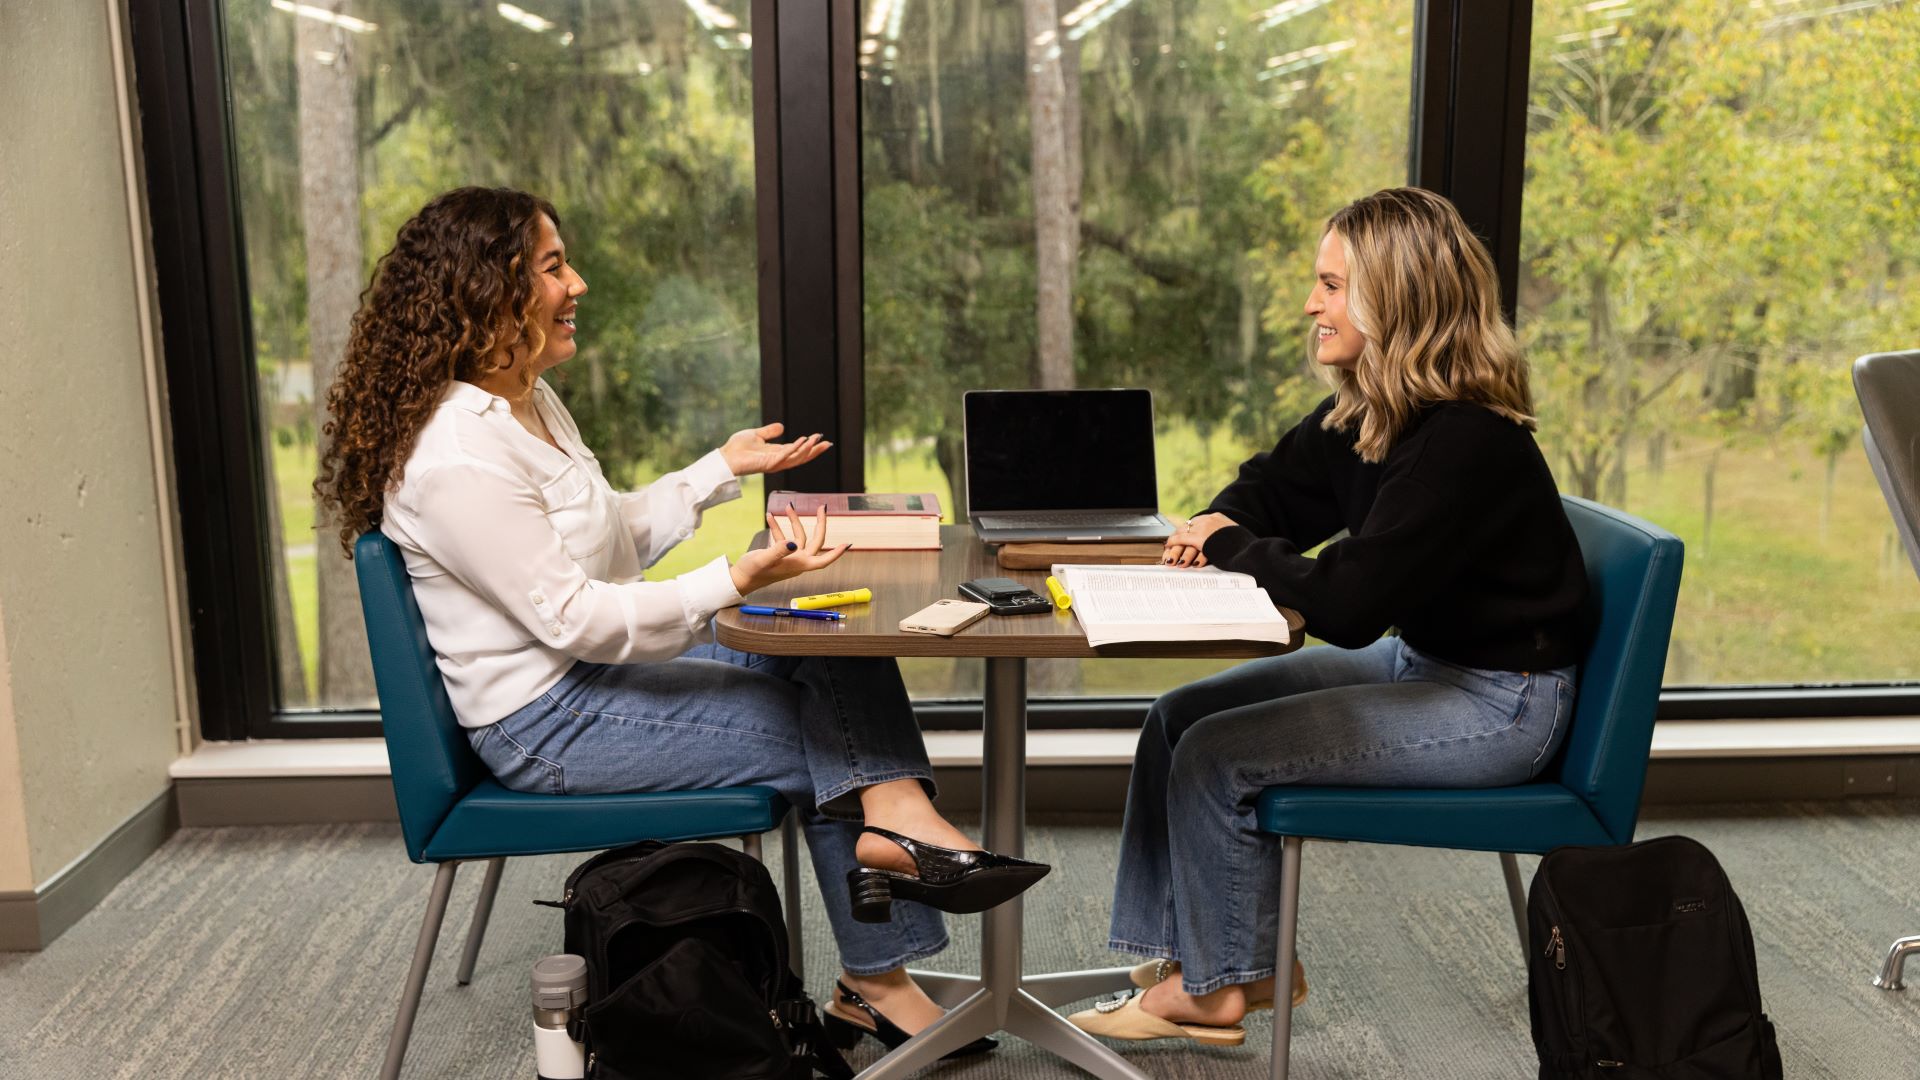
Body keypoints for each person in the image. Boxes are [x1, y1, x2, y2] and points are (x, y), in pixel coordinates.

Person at [315, 186, 1046, 1058]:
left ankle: (895, 837)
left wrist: (718, 470)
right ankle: (880, 967)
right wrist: (728, 580)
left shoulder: (526, 401)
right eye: (554, 267)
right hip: (548, 720)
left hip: (586, 676)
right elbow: (579, 618)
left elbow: (609, 544)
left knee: (827, 635)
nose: (577, 282)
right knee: (821, 737)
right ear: (487, 290)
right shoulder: (456, 457)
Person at [1069, 187, 1591, 1046]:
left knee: (1215, 754)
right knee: (1179, 717)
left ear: (1399, 299)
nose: (1312, 303)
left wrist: (1234, 546)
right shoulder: (1370, 410)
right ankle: (1200, 955)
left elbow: (1348, 605)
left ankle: (1222, 986)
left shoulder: (1463, 443)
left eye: (1331, 285)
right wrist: (1214, 529)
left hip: (1503, 705)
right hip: (1429, 666)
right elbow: (1272, 489)